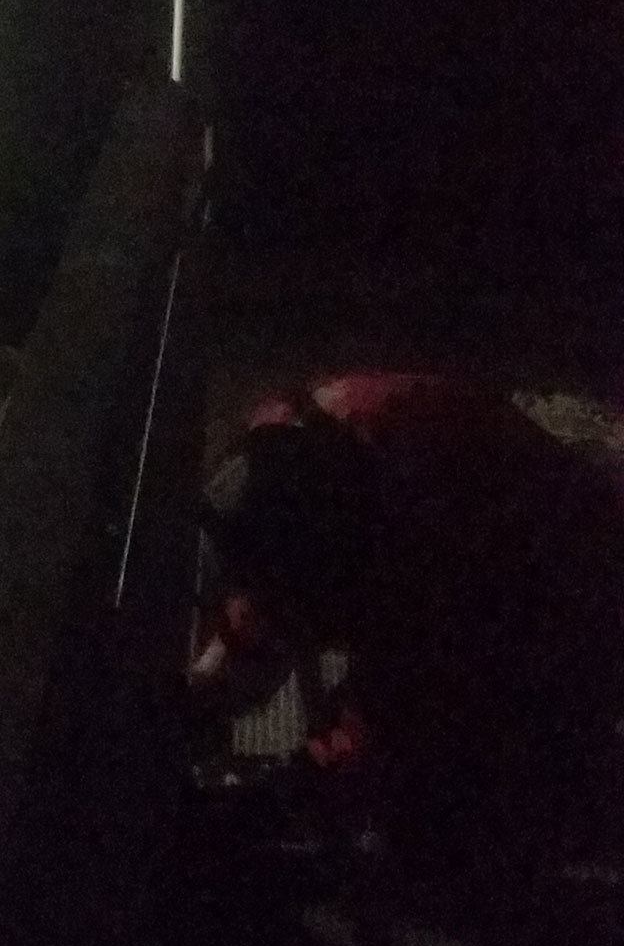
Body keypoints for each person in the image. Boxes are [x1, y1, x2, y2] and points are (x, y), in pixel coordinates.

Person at [188, 372, 624, 888]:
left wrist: (296, 777)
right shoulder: (323, 426)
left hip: (584, 590)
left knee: (436, 828)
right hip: (533, 521)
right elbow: (263, 567)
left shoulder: (426, 562)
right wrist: (213, 668)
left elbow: (391, 707)